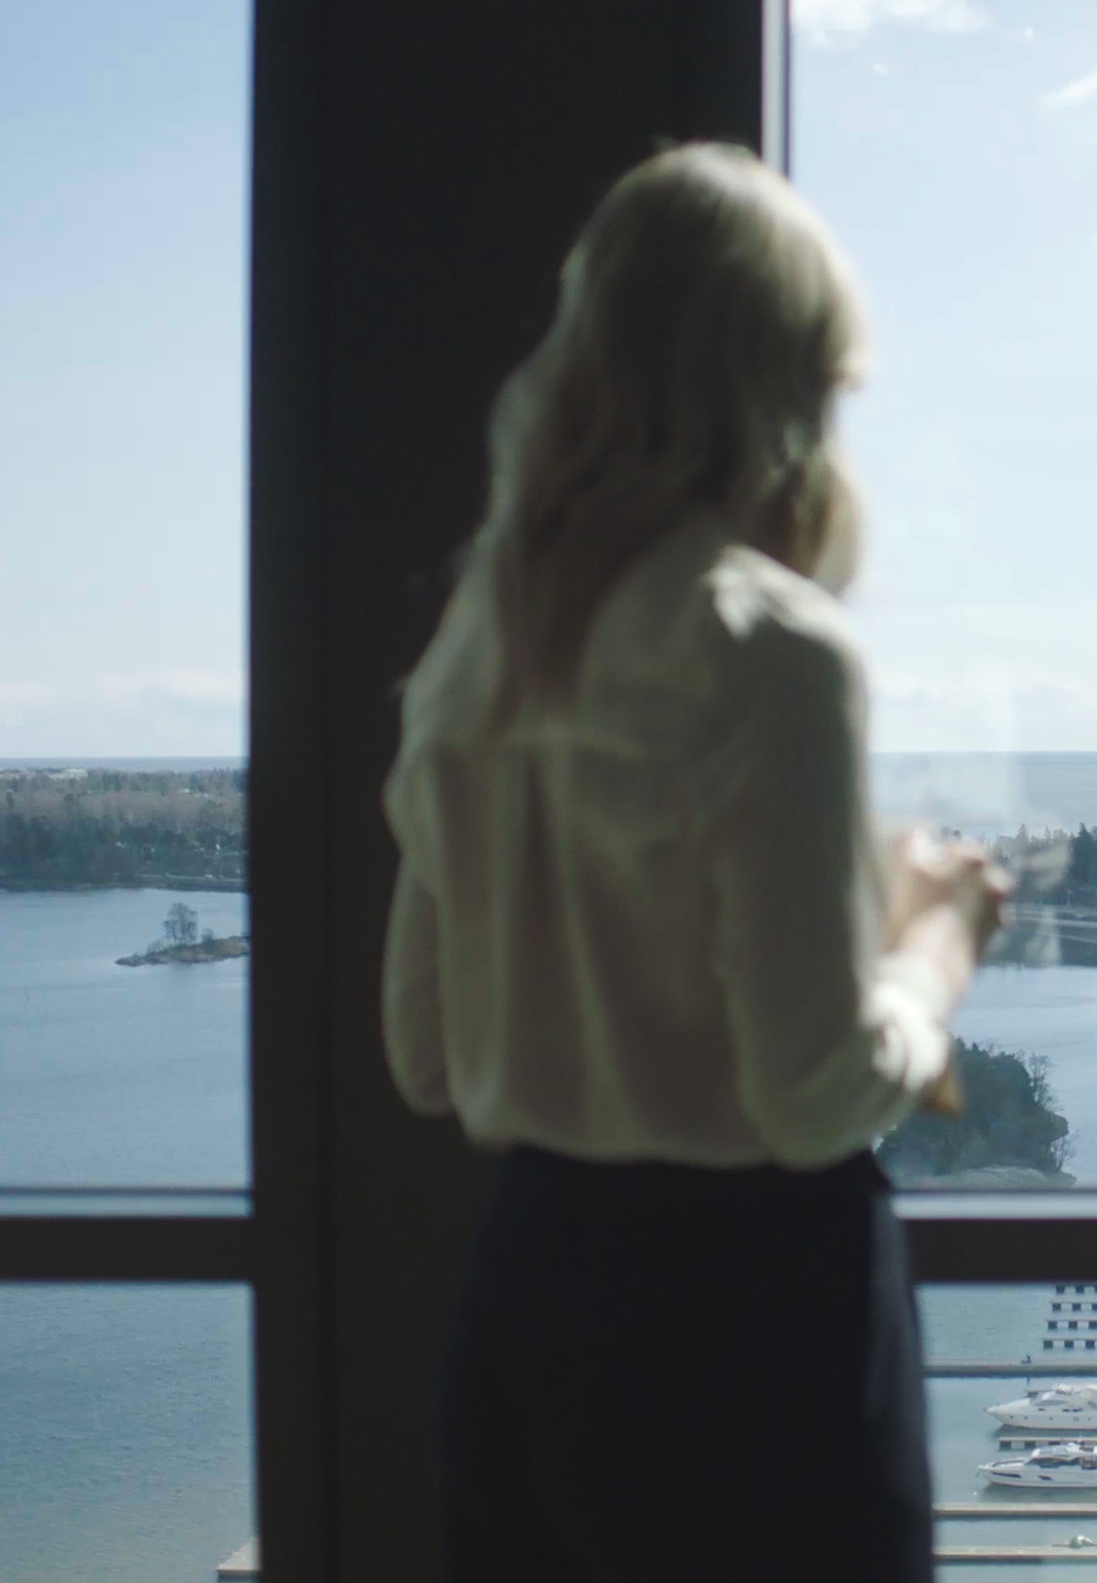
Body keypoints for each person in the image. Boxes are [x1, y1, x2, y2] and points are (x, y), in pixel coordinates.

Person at [381, 143, 1009, 1580]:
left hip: (530, 1307)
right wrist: (937, 938)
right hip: (749, 1341)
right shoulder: (770, 648)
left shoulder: (480, 653)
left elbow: (424, 1055)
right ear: (789, 388)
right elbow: (810, 1096)